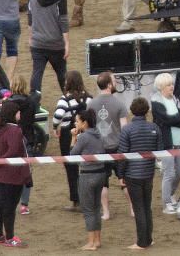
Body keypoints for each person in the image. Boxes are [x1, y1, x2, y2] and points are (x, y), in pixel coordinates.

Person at [117, 97, 162, 250]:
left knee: (139, 208)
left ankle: (142, 242)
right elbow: (159, 151)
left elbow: (122, 155)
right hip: (148, 172)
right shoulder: (154, 127)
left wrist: (120, 175)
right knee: (146, 206)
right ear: (146, 111)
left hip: (132, 174)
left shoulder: (127, 129)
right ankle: (148, 238)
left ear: (132, 111)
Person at [0, 99, 32, 247]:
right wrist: (1, 160)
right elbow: (13, 151)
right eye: (18, 111)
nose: (20, 113)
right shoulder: (15, 130)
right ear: (13, 114)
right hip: (12, 175)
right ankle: (10, 238)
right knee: (9, 207)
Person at [88, 71, 129, 221]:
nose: (116, 82)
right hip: (118, 148)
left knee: (103, 183)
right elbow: (125, 129)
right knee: (123, 180)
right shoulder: (119, 104)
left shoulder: (91, 104)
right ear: (109, 85)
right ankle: (132, 208)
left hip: (100, 148)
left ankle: (106, 212)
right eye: (114, 80)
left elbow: (89, 127)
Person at [28, 0, 70, 93]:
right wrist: (67, 43)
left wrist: (30, 37)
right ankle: (68, 98)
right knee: (62, 74)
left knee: (37, 73)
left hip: (37, 43)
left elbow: (30, 18)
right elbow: (63, 22)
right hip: (56, 44)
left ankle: (35, 100)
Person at [70, 108, 106, 251]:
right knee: (96, 208)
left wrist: (73, 137)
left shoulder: (83, 137)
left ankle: (91, 243)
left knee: (88, 210)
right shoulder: (99, 134)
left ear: (84, 123)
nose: (76, 123)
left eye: (77, 121)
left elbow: (72, 155)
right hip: (100, 173)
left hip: (88, 174)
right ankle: (97, 240)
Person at [151, 73, 180, 214]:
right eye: (168, 85)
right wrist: (179, 117)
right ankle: (166, 203)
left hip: (179, 141)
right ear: (161, 87)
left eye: (172, 84)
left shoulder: (176, 99)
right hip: (166, 143)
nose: (171, 87)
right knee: (169, 173)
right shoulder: (156, 102)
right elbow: (167, 119)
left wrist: (178, 118)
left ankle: (171, 194)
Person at [54, 70, 90, 211]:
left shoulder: (65, 99)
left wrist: (55, 127)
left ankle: (76, 200)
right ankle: (88, 198)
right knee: (87, 167)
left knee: (71, 168)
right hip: (85, 133)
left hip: (68, 135)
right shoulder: (88, 98)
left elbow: (58, 115)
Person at [7, 74, 41, 215]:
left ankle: (10, 201)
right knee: (26, 172)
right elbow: (32, 119)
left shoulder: (7, 103)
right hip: (27, 138)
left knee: (10, 171)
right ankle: (24, 204)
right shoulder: (31, 102)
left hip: (10, 140)